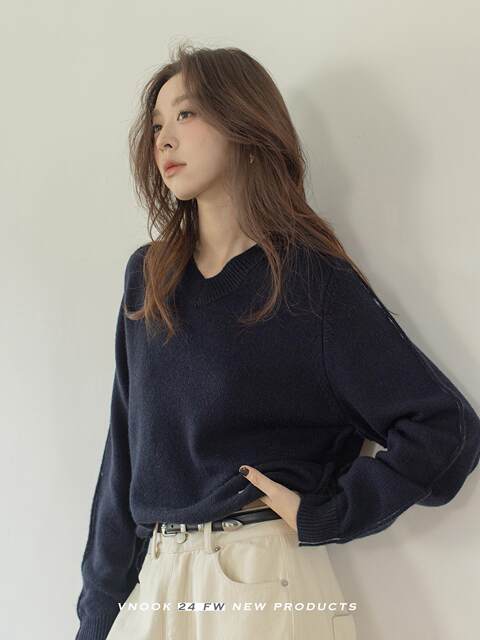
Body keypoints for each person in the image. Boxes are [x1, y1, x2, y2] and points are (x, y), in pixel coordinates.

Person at [74, 44, 480, 640]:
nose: (164, 140)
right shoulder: (150, 277)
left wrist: (330, 511)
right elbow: (123, 458)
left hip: (259, 580)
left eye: (185, 114)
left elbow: (443, 429)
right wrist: (96, 616)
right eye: (157, 125)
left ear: (243, 123)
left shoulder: (308, 284)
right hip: (158, 581)